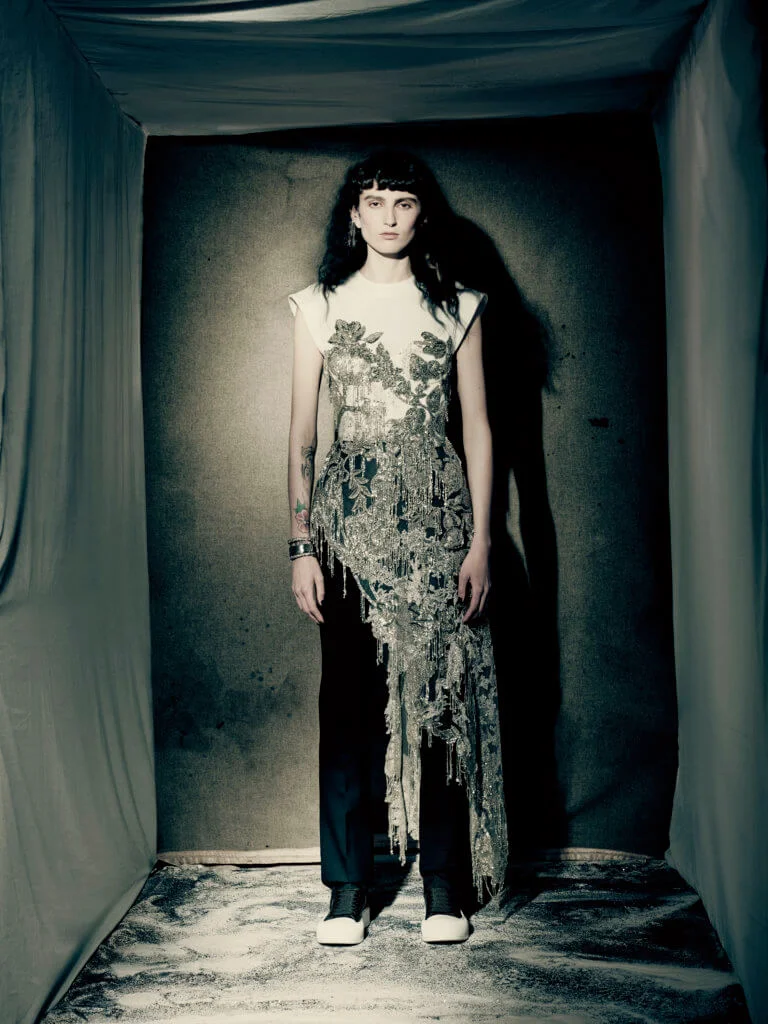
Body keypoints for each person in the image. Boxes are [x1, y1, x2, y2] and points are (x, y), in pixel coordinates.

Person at [287, 150, 507, 946]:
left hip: (439, 531)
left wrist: (481, 543)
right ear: (353, 214)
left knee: (441, 702)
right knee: (347, 706)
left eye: (403, 202)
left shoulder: (459, 306)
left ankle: (444, 889)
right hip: (348, 535)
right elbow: (303, 436)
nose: (388, 216)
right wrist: (300, 546)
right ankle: (348, 890)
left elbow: (478, 429)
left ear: (422, 214)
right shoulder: (319, 305)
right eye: (374, 201)